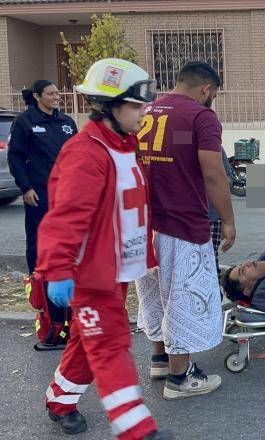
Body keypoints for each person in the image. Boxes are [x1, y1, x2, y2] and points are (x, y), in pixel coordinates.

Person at [35, 58, 170, 439]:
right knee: (110, 345)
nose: (144, 113)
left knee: (84, 342)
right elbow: (66, 217)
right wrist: (58, 271)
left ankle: (59, 401)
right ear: (111, 107)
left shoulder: (124, 145)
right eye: (136, 106)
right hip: (90, 275)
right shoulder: (86, 152)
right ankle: (137, 430)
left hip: (116, 270)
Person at [134, 61, 235, 400]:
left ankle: (161, 358)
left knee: (154, 293)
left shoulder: (146, 110)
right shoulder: (199, 116)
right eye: (214, 94)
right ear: (206, 89)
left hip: (145, 223)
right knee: (183, 295)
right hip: (182, 222)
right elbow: (212, 173)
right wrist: (228, 218)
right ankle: (180, 377)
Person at [8, 80, 78, 348]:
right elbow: (15, 157)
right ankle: (52, 322)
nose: (56, 96)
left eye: (57, 92)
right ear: (37, 97)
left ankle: (73, 321)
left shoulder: (67, 122)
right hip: (40, 198)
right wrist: (25, 187)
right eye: (51, 93)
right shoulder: (25, 122)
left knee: (70, 253)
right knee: (41, 254)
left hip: (69, 197)